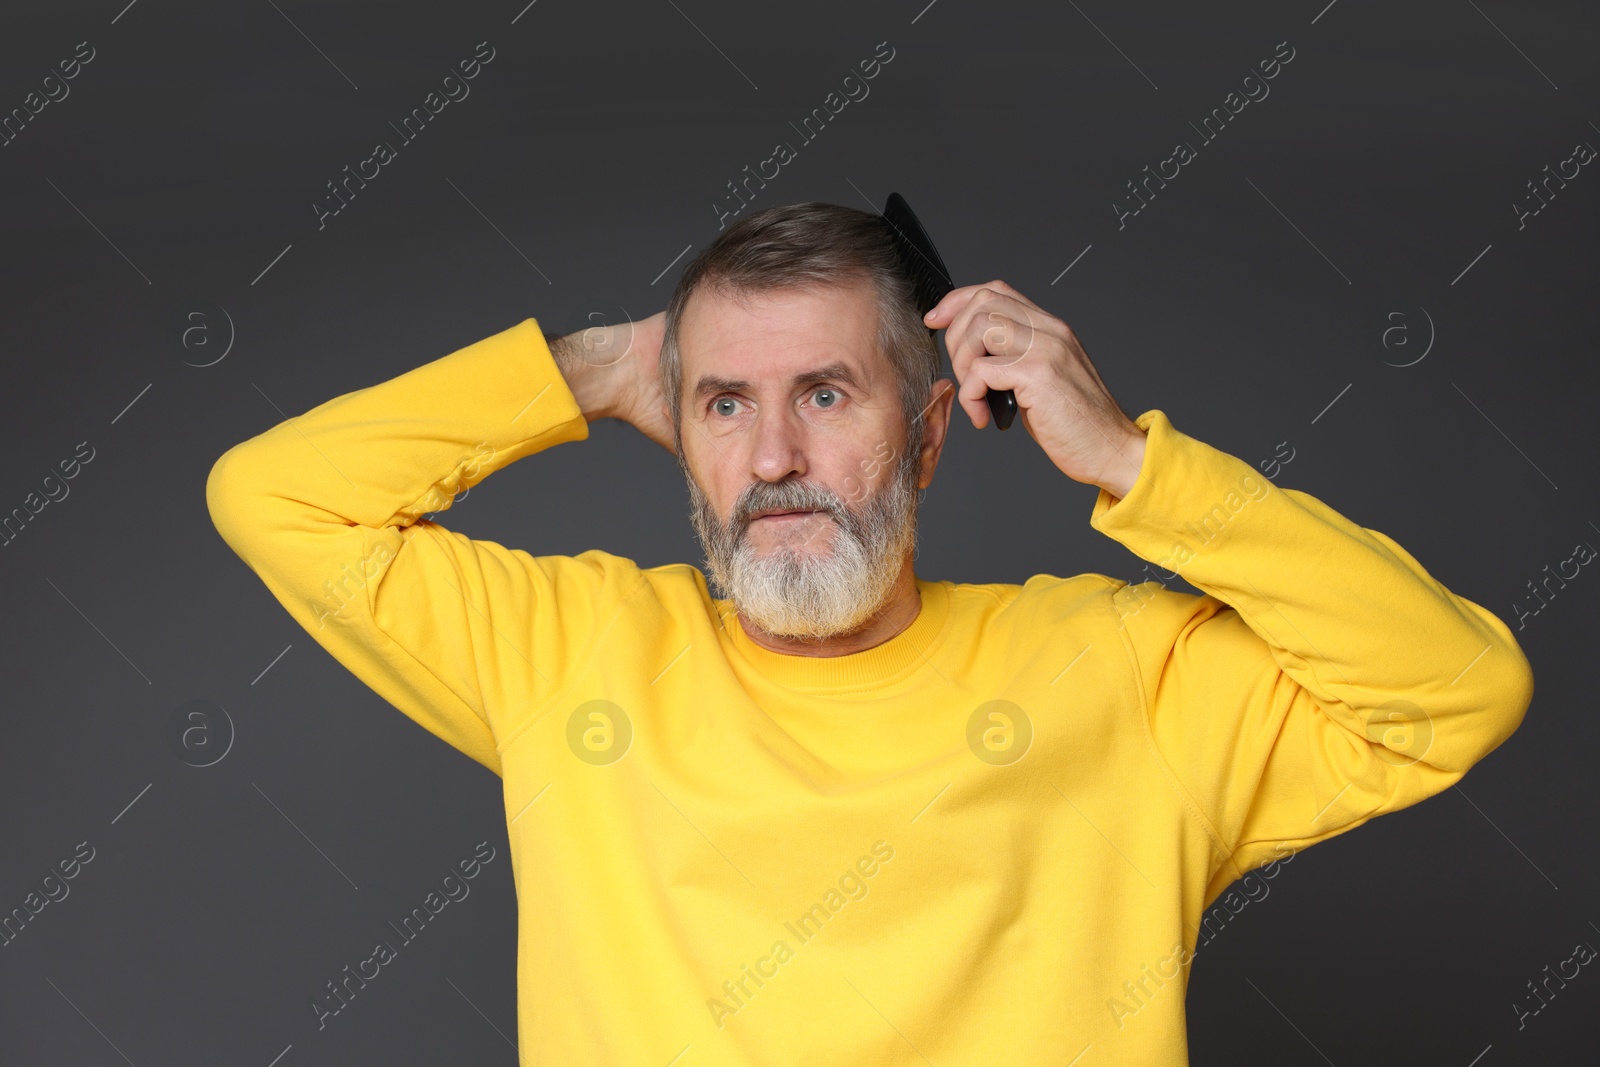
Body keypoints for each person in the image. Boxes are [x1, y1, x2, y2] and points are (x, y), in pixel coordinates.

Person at [206, 201, 1534, 1065]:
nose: (774, 453)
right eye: (724, 405)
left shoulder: (1121, 675)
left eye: (826, 394)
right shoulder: (570, 653)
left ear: (931, 430)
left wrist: (1136, 465)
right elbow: (270, 498)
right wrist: (598, 371)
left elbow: (1457, 689)